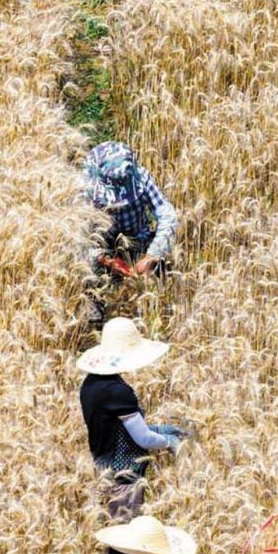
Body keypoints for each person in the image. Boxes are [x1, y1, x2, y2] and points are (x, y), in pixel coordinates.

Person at [78, 317, 184, 521]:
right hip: (125, 479)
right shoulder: (118, 391)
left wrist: (160, 429)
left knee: (112, 533)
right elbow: (142, 438)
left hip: (103, 471)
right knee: (125, 536)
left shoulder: (90, 385)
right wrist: (168, 441)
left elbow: (115, 427)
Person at [82, 141, 178, 320]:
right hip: (101, 250)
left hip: (138, 242)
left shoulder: (141, 178)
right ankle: (96, 322)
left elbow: (168, 216)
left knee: (161, 279)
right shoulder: (86, 192)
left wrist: (152, 255)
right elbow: (78, 242)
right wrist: (107, 261)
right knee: (85, 275)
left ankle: (155, 313)